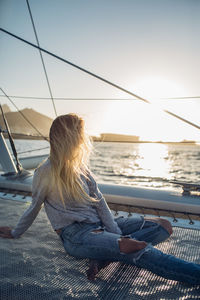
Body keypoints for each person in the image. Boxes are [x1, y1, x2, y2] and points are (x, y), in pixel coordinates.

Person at [0, 113, 200, 284]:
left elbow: (101, 202)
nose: (83, 139)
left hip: (102, 226)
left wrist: (115, 235)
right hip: (76, 235)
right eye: (79, 134)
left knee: (163, 225)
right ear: (68, 138)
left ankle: (104, 254)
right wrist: (16, 231)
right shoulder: (45, 171)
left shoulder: (81, 168)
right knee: (136, 247)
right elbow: (34, 206)